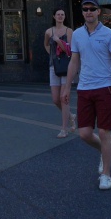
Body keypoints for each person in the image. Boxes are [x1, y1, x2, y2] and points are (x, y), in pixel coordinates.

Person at [61, 0, 111, 191]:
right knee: (84, 134)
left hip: (105, 87)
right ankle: (103, 151)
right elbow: (74, 61)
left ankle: (106, 174)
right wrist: (67, 87)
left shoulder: (109, 34)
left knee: (104, 131)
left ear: (99, 11)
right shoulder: (77, 35)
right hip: (84, 88)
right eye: (85, 9)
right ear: (82, 12)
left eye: (92, 9)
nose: (88, 12)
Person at [44, 8, 75, 137]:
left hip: (66, 66)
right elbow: (46, 44)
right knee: (56, 99)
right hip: (54, 66)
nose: (60, 16)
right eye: (58, 14)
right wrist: (52, 56)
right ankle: (71, 116)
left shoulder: (69, 31)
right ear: (54, 16)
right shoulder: (48, 31)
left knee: (64, 98)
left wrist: (57, 41)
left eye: (63, 14)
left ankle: (64, 129)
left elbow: (69, 50)